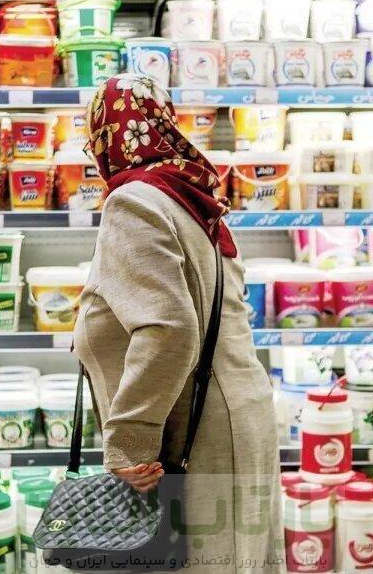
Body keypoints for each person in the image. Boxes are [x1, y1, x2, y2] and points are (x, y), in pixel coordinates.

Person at [73, 74, 283, 572]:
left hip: (198, 432)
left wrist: (131, 442)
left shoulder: (134, 200)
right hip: (236, 414)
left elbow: (168, 328)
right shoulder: (190, 198)